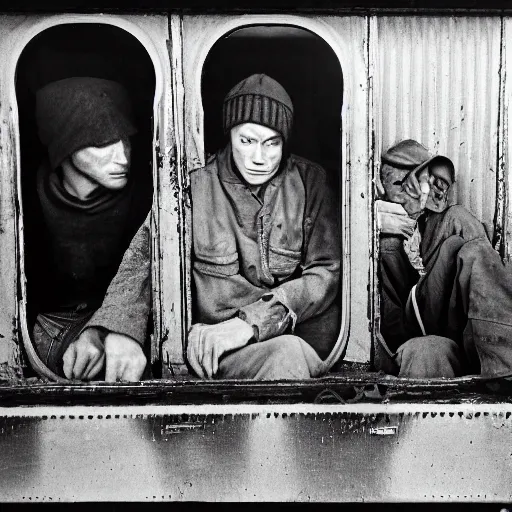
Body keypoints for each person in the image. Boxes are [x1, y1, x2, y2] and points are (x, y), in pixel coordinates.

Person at [186, 74, 341, 380]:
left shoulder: (311, 182)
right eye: (247, 141)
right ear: (229, 135)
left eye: (272, 143)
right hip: (221, 353)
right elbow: (144, 262)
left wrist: (251, 322)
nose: (259, 158)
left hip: (295, 341)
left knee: (289, 353)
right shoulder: (192, 185)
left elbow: (326, 273)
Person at [26, 76, 152, 381]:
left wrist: (104, 328)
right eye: (101, 143)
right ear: (65, 146)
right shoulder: (21, 200)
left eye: (126, 140)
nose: (122, 157)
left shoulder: (149, 196)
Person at [376, 139, 512, 379]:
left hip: (452, 319)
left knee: (464, 244)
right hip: (414, 323)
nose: (432, 188)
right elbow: (390, 319)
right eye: (398, 184)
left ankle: (501, 359)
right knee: (462, 244)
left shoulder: (441, 221)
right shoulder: (385, 241)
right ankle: (504, 362)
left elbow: (482, 273)